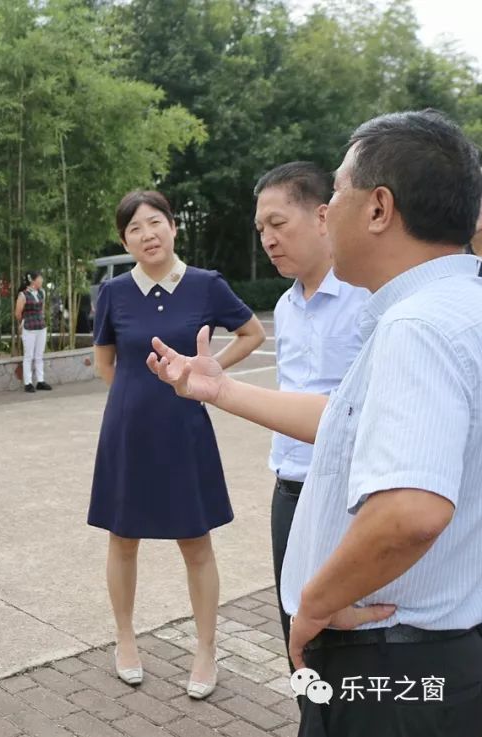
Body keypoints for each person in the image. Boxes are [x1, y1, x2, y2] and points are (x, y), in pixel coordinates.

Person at [148, 110, 482, 737]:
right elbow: (349, 421)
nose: (329, 208)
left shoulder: (417, 327)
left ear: (378, 208)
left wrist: (316, 601)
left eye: (337, 191)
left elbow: (411, 511)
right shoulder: (454, 308)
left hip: (391, 651)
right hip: (426, 648)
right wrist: (219, 389)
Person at [90, 190, 265, 700]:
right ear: (125, 241)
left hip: (185, 427)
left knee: (196, 540)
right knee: (123, 538)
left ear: (173, 226)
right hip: (128, 430)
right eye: (134, 229)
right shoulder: (114, 293)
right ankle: (125, 640)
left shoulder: (206, 285)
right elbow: (105, 363)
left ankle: (206, 649)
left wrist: (206, 375)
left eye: (155, 223)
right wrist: (134, 397)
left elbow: (251, 333)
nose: (147, 235)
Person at [253, 162, 369, 657]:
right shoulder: (285, 306)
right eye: (260, 230)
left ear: (323, 217)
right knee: (295, 633)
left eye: (278, 224)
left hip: (347, 496)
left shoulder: (368, 299)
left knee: (346, 641)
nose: (268, 239)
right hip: (289, 491)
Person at [14, 271, 51, 392]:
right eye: (40, 278)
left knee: (39, 355)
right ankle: (28, 382)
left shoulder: (42, 292)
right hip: (29, 327)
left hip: (41, 326)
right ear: (33, 280)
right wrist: (23, 322)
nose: (42, 281)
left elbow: (42, 309)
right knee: (28, 355)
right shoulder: (23, 295)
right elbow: (18, 313)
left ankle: (40, 380)